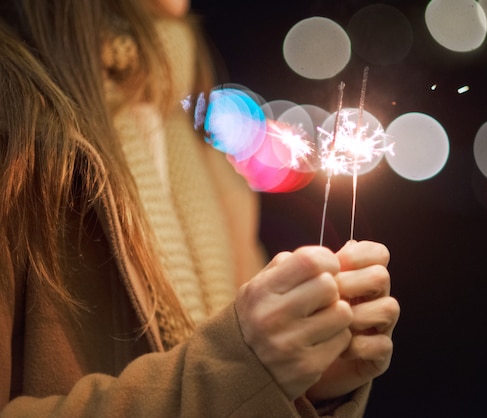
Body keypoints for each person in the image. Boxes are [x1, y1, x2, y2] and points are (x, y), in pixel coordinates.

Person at [0, 0, 400, 416]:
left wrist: (306, 385)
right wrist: (235, 371)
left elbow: (248, 378)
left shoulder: (213, 167)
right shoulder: (15, 125)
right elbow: (229, 372)